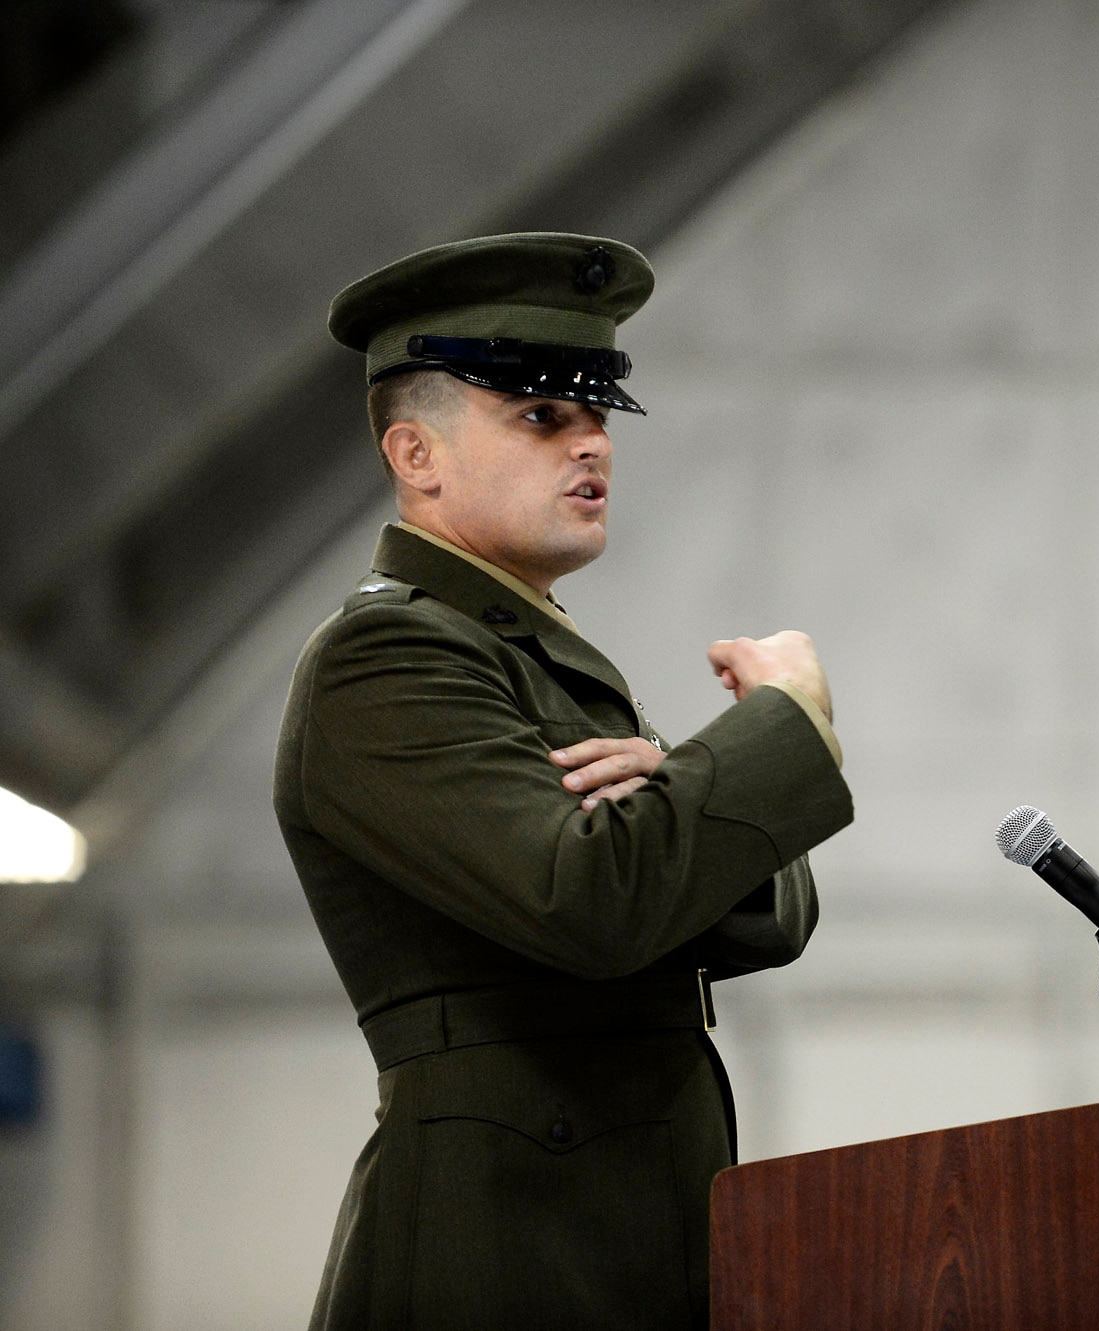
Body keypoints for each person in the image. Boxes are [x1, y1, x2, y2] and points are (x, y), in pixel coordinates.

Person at [272, 232, 853, 1329]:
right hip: (498, 1246)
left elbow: (758, 923)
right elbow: (594, 902)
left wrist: (681, 789)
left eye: (596, 416)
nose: (590, 441)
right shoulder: (390, 658)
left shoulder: (529, 654)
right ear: (416, 454)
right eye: (540, 415)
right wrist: (786, 720)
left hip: (608, 1232)